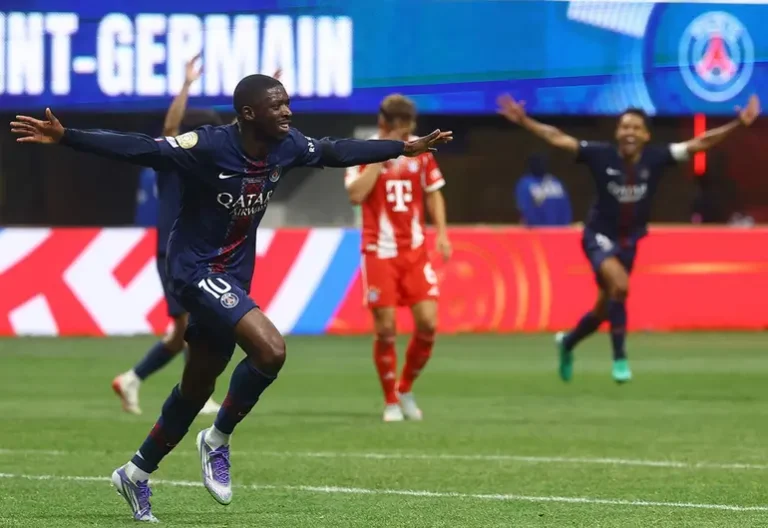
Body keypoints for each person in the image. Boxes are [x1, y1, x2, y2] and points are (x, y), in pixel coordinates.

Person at [12, 75, 452, 522]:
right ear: (248, 114)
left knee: (197, 387)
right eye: (277, 105)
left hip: (234, 276)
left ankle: (135, 472)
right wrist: (68, 137)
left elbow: (336, 151)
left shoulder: (287, 146)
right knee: (271, 350)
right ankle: (217, 437)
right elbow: (141, 148)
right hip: (194, 270)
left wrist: (402, 148)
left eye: (287, 103)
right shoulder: (207, 146)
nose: (287, 111)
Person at [497, 93, 760, 383]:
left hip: (629, 241)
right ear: (617, 133)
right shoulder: (601, 155)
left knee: (603, 309)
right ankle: (620, 359)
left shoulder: (657, 158)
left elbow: (701, 143)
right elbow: (559, 138)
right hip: (598, 235)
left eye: (636, 128)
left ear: (646, 135)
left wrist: (737, 124)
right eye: (624, 127)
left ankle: (568, 343)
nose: (629, 132)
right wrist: (526, 122)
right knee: (620, 286)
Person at [113, 54, 222, 416]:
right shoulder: (174, 160)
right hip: (173, 252)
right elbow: (171, 128)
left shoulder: (210, 168)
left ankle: (131, 379)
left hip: (194, 253)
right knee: (192, 324)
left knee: (179, 335)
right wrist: (187, 84)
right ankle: (198, 395)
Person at [344, 94, 451, 422]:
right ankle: (390, 399)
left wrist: (442, 233)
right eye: (401, 129)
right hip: (379, 252)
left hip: (414, 251)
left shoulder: (421, 151)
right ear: (384, 124)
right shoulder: (362, 150)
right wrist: (382, 154)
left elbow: (434, 194)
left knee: (428, 323)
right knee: (386, 328)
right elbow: (355, 195)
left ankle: (405, 388)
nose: (407, 135)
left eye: (409, 128)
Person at [515, 153, 572, 226]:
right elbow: (524, 209)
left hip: (552, 230)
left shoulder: (556, 183)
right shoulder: (525, 183)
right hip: (545, 230)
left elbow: (566, 208)